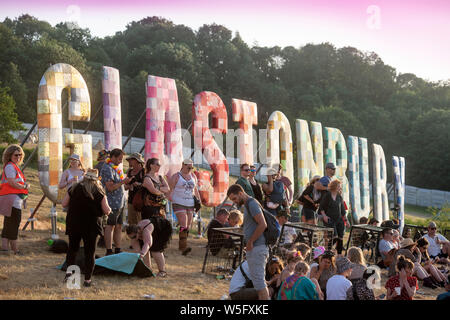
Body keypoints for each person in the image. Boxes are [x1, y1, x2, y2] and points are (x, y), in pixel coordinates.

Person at [61, 169, 112, 287]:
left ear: (84, 177)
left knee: (72, 249)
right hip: (91, 225)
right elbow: (106, 210)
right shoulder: (99, 192)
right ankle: (87, 280)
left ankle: (70, 276)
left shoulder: (73, 188)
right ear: (96, 179)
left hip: (74, 223)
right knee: (90, 253)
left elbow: (64, 204)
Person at [227, 184, 270, 300]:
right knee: (259, 286)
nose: (235, 202)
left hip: (257, 247)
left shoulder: (251, 203)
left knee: (261, 286)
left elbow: (263, 224)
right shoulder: (248, 204)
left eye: (235, 198)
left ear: (240, 193)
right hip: (255, 248)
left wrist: (250, 241)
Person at [141, 158, 172, 276]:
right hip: (149, 212)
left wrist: (159, 190)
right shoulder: (147, 178)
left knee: (156, 243)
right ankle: (148, 269)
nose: (159, 166)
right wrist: (161, 190)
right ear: (151, 165)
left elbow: (167, 189)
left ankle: (162, 270)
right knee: (147, 241)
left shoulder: (159, 177)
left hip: (160, 213)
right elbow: (153, 191)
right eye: (157, 164)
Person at [100, 148, 131, 256]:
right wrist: (123, 182)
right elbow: (110, 188)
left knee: (118, 226)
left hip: (120, 202)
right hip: (111, 203)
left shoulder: (117, 168)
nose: (121, 161)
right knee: (110, 226)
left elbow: (121, 185)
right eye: (119, 158)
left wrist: (129, 184)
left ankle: (118, 248)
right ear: (112, 157)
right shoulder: (107, 168)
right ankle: (109, 250)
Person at [0, 145, 29, 255]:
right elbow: (12, 182)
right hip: (12, 200)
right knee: (14, 225)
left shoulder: (14, 167)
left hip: (12, 199)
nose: (18, 156)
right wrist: (25, 187)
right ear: (10, 155)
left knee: (8, 224)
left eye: (20, 154)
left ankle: (4, 248)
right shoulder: (10, 167)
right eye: (16, 154)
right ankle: (15, 250)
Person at [169, 159, 201, 256]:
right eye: (188, 167)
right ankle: (183, 247)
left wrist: (199, 201)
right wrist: (166, 200)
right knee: (183, 221)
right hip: (178, 201)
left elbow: (195, 190)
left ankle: (182, 244)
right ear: (183, 165)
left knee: (187, 225)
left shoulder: (193, 176)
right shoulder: (176, 176)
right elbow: (169, 189)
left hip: (190, 203)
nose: (190, 169)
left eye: (191, 168)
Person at [319, 180, 347, 255]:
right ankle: (327, 251)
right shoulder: (327, 195)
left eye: (340, 186)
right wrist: (324, 216)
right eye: (338, 186)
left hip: (339, 220)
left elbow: (342, 209)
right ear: (334, 186)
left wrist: (345, 219)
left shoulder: (339, 197)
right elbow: (321, 207)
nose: (339, 188)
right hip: (330, 219)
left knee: (340, 238)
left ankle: (340, 255)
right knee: (335, 236)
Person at [123, 153, 145, 225]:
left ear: (137, 161)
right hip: (131, 200)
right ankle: (134, 236)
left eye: (131, 160)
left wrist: (138, 184)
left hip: (141, 201)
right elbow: (125, 187)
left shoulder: (143, 171)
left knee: (140, 221)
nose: (129, 162)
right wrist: (129, 186)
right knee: (131, 222)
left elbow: (148, 185)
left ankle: (141, 236)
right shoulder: (129, 171)